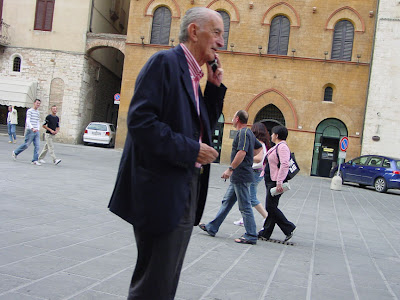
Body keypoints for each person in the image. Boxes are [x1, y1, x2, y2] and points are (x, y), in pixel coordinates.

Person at [108, 7, 226, 300]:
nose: (221, 42)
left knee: (164, 281)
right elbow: (140, 122)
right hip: (160, 192)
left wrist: (212, 89)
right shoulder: (164, 63)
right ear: (194, 31)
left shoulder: (192, 76)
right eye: (217, 33)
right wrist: (192, 150)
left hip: (182, 188)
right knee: (154, 284)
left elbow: (201, 127)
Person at [199, 110, 262, 245]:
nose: (232, 119)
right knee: (227, 202)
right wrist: (249, 157)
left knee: (244, 206)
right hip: (240, 176)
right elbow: (258, 148)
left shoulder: (243, 133)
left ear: (237, 119)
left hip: (241, 175)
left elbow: (242, 152)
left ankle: (251, 234)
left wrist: (231, 169)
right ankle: (212, 227)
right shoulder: (249, 132)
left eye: (233, 117)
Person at [258, 125, 296, 242]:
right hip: (271, 179)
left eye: (273, 133)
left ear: (277, 135)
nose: (271, 135)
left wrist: (279, 182)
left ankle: (288, 227)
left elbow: (285, 164)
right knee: (271, 207)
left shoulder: (283, 147)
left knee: (270, 207)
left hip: (275, 181)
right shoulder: (277, 146)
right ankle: (266, 233)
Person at [233, 122, 269, 227]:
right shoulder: (262, 143)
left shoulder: (259, 143)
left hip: (255, 173)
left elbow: (259, 158)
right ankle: (245, 219)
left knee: (251, 197)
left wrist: (246, 158)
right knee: (247, 196)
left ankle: (267, 217)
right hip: (257, 172)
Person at [12, 99, 42, 165]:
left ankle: (35, 160)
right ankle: (15, 152)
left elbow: (37, 121)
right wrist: (32, 128)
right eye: (37, 103)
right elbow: (28, 120)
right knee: (26, 145)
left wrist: (38, 128)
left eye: (39, 103)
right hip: (30, 130)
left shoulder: (38, 112)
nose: (38, 105)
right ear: (34, 103)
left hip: (36, 131)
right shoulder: (29, 111)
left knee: (37, 146)